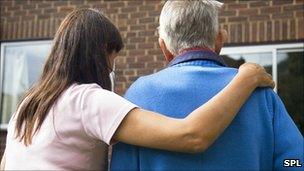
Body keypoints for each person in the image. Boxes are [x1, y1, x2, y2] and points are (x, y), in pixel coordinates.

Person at [0, 8, 274, 170]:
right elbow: (192, 136)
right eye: (114, 58)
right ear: (102, 52)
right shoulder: (88, 100)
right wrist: (246, 78)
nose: (112, 67)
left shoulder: (29, 104)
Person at [111, 1, 303, 171]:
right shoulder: (260, 93)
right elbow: (295, 161)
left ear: (164, 47)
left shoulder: (139, 95)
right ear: (220, 39)